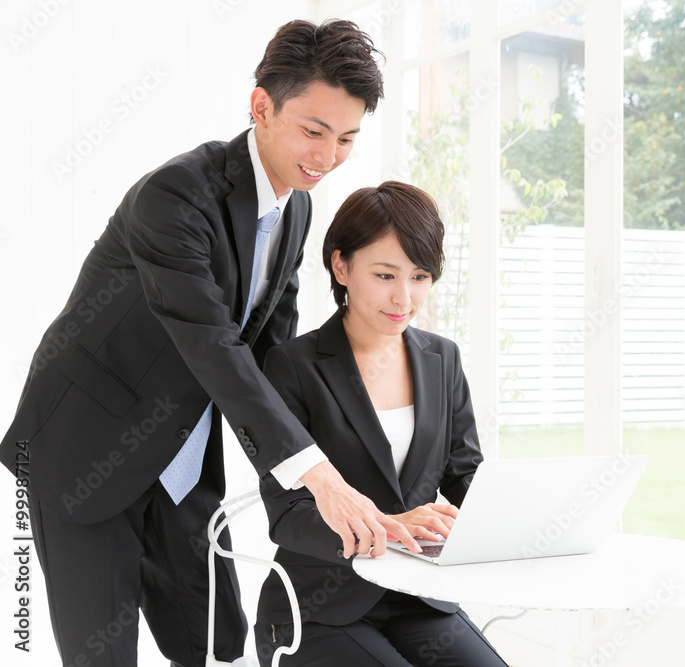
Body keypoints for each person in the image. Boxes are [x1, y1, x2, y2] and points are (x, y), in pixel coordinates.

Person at [0, 19, 418, 667]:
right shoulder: (176, 196)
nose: (327, 156)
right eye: (313, 130)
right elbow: (214, 345)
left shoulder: (297, 208)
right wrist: (321, 478)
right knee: (101, 656)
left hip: (183, 464)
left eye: (346, 139)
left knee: (213, 644)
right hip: (83, 449)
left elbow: (272, 361)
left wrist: (358, 489)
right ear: (261, 107)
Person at [253, 182, 508, 666]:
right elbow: (287, 514)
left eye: (419, 276)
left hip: (420, 600)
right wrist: (387, 528)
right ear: (341, 266)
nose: (404, 298)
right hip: (321, 607)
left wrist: (520, 519)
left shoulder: (442, 359)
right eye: (386, 275)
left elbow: (464, 474)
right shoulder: (293, 365)